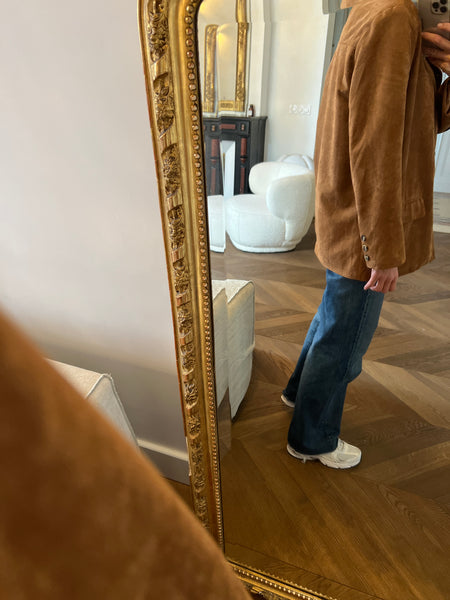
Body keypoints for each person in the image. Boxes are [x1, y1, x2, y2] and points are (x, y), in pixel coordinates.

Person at [282, 0, 450, 469]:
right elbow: (375, 143)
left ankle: (298, 392)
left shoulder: (374, 10)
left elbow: (425, 121)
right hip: (364, 217)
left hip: (350, 207)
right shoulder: (395, 16)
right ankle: (312, 439)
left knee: (333, 314)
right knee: (347, 336)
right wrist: (382, 248)